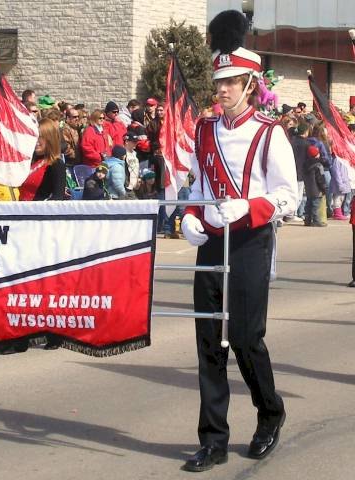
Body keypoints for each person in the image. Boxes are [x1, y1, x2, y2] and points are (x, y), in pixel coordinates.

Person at [180, 10, 296, 472]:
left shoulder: (270, 132)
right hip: (212, 241)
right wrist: (190, 215)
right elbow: (198, 184)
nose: (223, 89)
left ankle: (270, 412)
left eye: (231, 82)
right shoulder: (204, 130)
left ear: (250, 85)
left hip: (250, 241)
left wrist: (249, 207)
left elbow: (288, 195)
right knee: (209, 343)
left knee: (246, 339)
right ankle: (213, 439)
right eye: (219, 82)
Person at [19, 118, 66, 201]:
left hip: (40, 208)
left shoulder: (56, 164)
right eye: (34, 137)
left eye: (40, 137)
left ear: (50, 139)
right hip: (21, 206)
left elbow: (58, 197)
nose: (36, 141)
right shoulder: (30, 162)